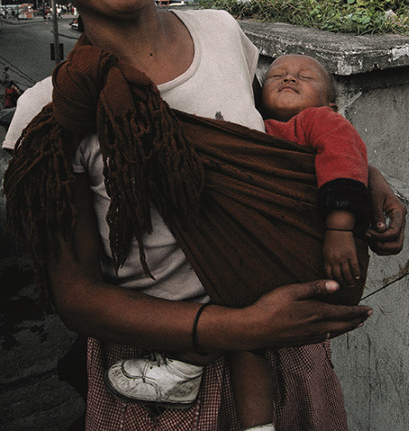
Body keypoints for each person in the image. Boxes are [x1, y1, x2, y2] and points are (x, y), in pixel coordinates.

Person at [3, 0, 406, 431]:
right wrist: (238, 328)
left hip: (287, 347)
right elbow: (77, 297)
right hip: (162, 379)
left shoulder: (221, 31)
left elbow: (272, 146)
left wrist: (368, 179)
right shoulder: (49, 114)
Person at [105, 52, 371, 431]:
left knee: (237, 308)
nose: (290, 78)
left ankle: (187, 360)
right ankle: (257, 424)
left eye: (305, 76)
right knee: (250, 341)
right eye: (278, 74)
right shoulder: (251, 128)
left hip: (312, 247)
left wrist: (341, 228)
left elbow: (345, 160)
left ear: (331, 104)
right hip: (264, 251)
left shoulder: (319, 121)